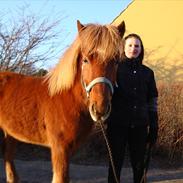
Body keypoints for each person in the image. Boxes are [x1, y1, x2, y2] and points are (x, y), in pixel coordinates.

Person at [107, 33, 158, 183]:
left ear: (141, 49)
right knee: (115, 164)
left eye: (137, 46)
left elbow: (152, 101)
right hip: (117, 125)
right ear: (123, 48)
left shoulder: (148, 73)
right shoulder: (114, 70)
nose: (133, 48)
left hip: (140, 126)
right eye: (130, 45)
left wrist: (154, 126)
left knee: (139, 164)